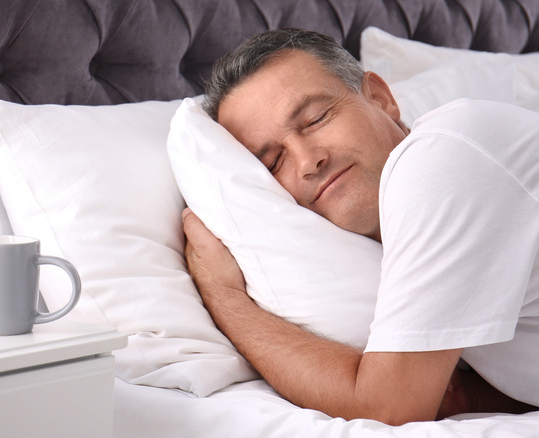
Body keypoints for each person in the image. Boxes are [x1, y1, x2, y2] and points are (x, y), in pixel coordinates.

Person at [182, 28, 539, 426]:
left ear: (381, 98)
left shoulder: (441, 158)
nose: (306, 161)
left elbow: (386, 408)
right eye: (272, 163)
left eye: (316, 118)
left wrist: (224, 297)